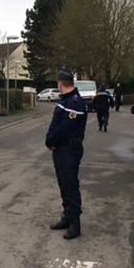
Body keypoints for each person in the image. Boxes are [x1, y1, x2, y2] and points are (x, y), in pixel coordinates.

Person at [46, 68, 88, 240]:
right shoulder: (67, 100)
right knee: (64, 185)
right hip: (62, 150)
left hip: (68, 150)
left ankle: (75, 224)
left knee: (70, 186)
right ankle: (67, 217)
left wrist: (51, 141)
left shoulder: (74, 103)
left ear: (60, 84)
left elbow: (64, 129)